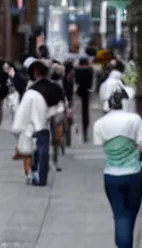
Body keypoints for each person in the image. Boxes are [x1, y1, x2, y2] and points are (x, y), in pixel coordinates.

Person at [93, 88, 142, 248]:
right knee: (131, 218)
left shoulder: (100, 123)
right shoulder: (134, 120)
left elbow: (98, 143)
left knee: (119, 217)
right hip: (132, 174)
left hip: (111, 175)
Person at [12, 58, 64, 186]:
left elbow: (22, 112)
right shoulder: (54, 88)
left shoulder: (31, 91)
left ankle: (34, 175)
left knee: (33, 151)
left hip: (32, 126)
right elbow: (60, 108)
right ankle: (42, 175)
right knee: (43, 149)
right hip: (46, 125)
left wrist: (18, 130)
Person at [75, 57, 94, 142]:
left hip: (78, 93)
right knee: (86, 113)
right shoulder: (90, 70)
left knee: (79, 114)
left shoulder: (77, 71)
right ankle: (86, 132)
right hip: (87, 92)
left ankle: (80, 132)